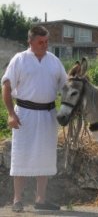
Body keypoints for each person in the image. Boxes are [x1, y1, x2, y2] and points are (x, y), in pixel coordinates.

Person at [1, 25, 67, 212]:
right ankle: (17, 200)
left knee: (45, 156)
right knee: (21, 156)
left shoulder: (54, 61)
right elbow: (6, 86)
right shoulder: (19, 60)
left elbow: (66, 86)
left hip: (48, 115)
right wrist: (11, 114)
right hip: (24, 114)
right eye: (41, 42)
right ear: (30, 41)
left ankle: (41, 199)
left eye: (47, 42)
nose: (45, 45)